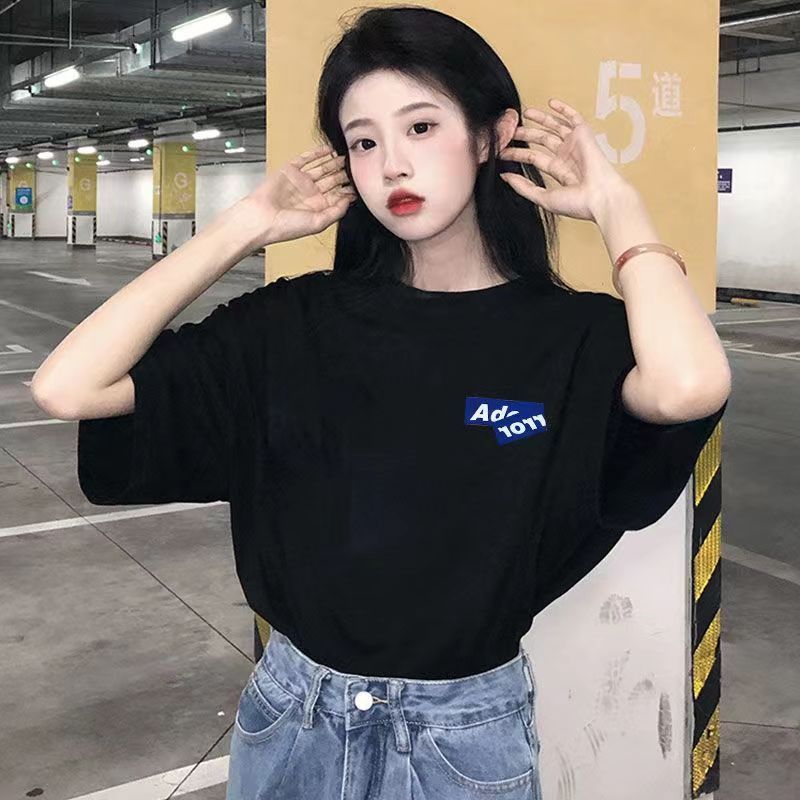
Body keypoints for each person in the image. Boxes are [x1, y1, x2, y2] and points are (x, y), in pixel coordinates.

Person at [32, 6, 730, 799]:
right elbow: (68, 386)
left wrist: (618, 206)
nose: (392, 165)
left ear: (492, 135)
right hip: (292, 719)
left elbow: (689, 386)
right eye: (363, 142)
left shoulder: (573, 338)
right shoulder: (293, 322)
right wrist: (245, 225)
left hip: (462, 737)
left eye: (421, 127)